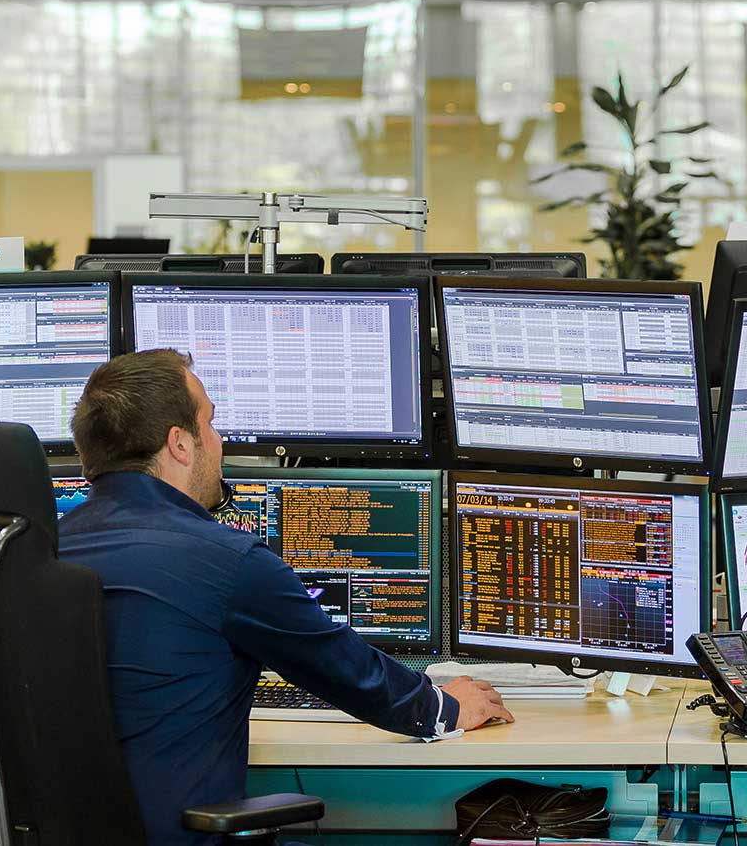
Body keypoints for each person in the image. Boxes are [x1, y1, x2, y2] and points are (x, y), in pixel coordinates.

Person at [60, 349, 512, 846]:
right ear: (180, 444)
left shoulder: (39, 551)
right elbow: (344, 668)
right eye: (210, 423)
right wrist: (444, 707)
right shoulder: (225, 559)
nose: (221, 440)